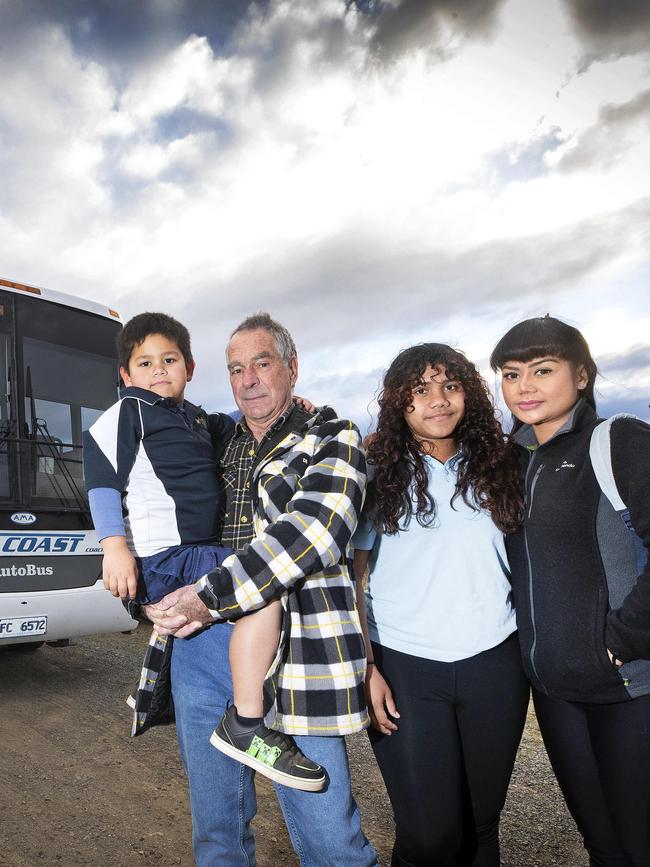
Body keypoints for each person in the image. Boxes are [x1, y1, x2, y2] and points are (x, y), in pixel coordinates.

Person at [144, 312, 378, 867]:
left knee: (331, 839)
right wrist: (143, 585)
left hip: (294, 651)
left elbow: (312, 534)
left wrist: (206, 596)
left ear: (292, 368)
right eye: (235, 369)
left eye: (262, 363)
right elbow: (153, 502)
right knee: (216, 830)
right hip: (199, 649)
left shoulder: (333, 438)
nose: (248, 379)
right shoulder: (211, 436)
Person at [83, 312, 325, 792]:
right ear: (125, 375)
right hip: (166, 556)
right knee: (261, 585)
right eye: (145, 363)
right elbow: (102, 482)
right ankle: (248, 723)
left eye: (169, 360)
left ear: (189, 367)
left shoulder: (193, 417)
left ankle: (168, 693)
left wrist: (294, 406)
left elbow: (239, 423)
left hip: (192, 552)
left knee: (252, 581)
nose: (159, 371)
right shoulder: (125, 413)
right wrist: (113, 547)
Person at [352, 343, 529, 867]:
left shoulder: (503, 464)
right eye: (420, 389)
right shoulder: (375, 471)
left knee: (480, 830)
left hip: (496, 662)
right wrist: (365, 666)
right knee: (430, 836)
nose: (438, 400)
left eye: (450, 386)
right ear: (399, 402)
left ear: (469, 394)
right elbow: (351, 577)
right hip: (403, 665)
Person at [490, 315, 650, 867]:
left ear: (582, 376)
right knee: (602, 846)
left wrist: (624, 638)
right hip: (554, 693)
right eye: (511, 374)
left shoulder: (620, 440)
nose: (524, 387)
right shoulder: (509, 463)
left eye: (542, 370)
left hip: (627, 688)